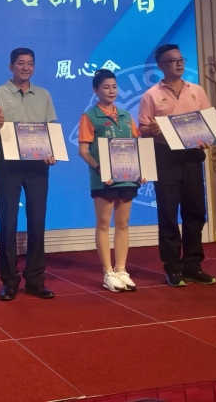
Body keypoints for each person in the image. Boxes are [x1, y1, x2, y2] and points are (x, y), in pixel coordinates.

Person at [138, 44, 216, 286]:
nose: (179, 63)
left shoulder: (197, 91)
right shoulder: (151, 95)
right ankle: (172, 267)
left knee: (195, 212)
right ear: (161, 66)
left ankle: (193, 264)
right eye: (172, 61)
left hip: (192, 158)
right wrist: (151, 129)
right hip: (166, 159)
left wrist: (208, 137)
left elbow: (208, 122)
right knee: (168, 214)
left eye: (181, 59)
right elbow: (142, 128)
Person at [0, 48, 57, 301]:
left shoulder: (44, 95)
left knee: (37, 222)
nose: (25, 68)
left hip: (38, 164)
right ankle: (9, 281)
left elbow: (51, 130)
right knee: (8, 223)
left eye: (30, 64)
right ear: (11, 66)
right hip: (8, 162)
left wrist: (52, 152)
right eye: (20, 63)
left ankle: (36, 280)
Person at [77, 69, 141, 293]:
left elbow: (136, 145)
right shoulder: (90, 117)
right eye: (106, 87)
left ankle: (121, 270)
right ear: (96, 90)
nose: (111, 91)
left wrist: (141, 168)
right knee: (104, 224)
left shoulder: (125, 115)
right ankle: (108, 272)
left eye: (114, 86)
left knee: (123, 224)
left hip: (128, 179)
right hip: (104, 180)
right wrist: (100, 169)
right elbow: (83, 151)